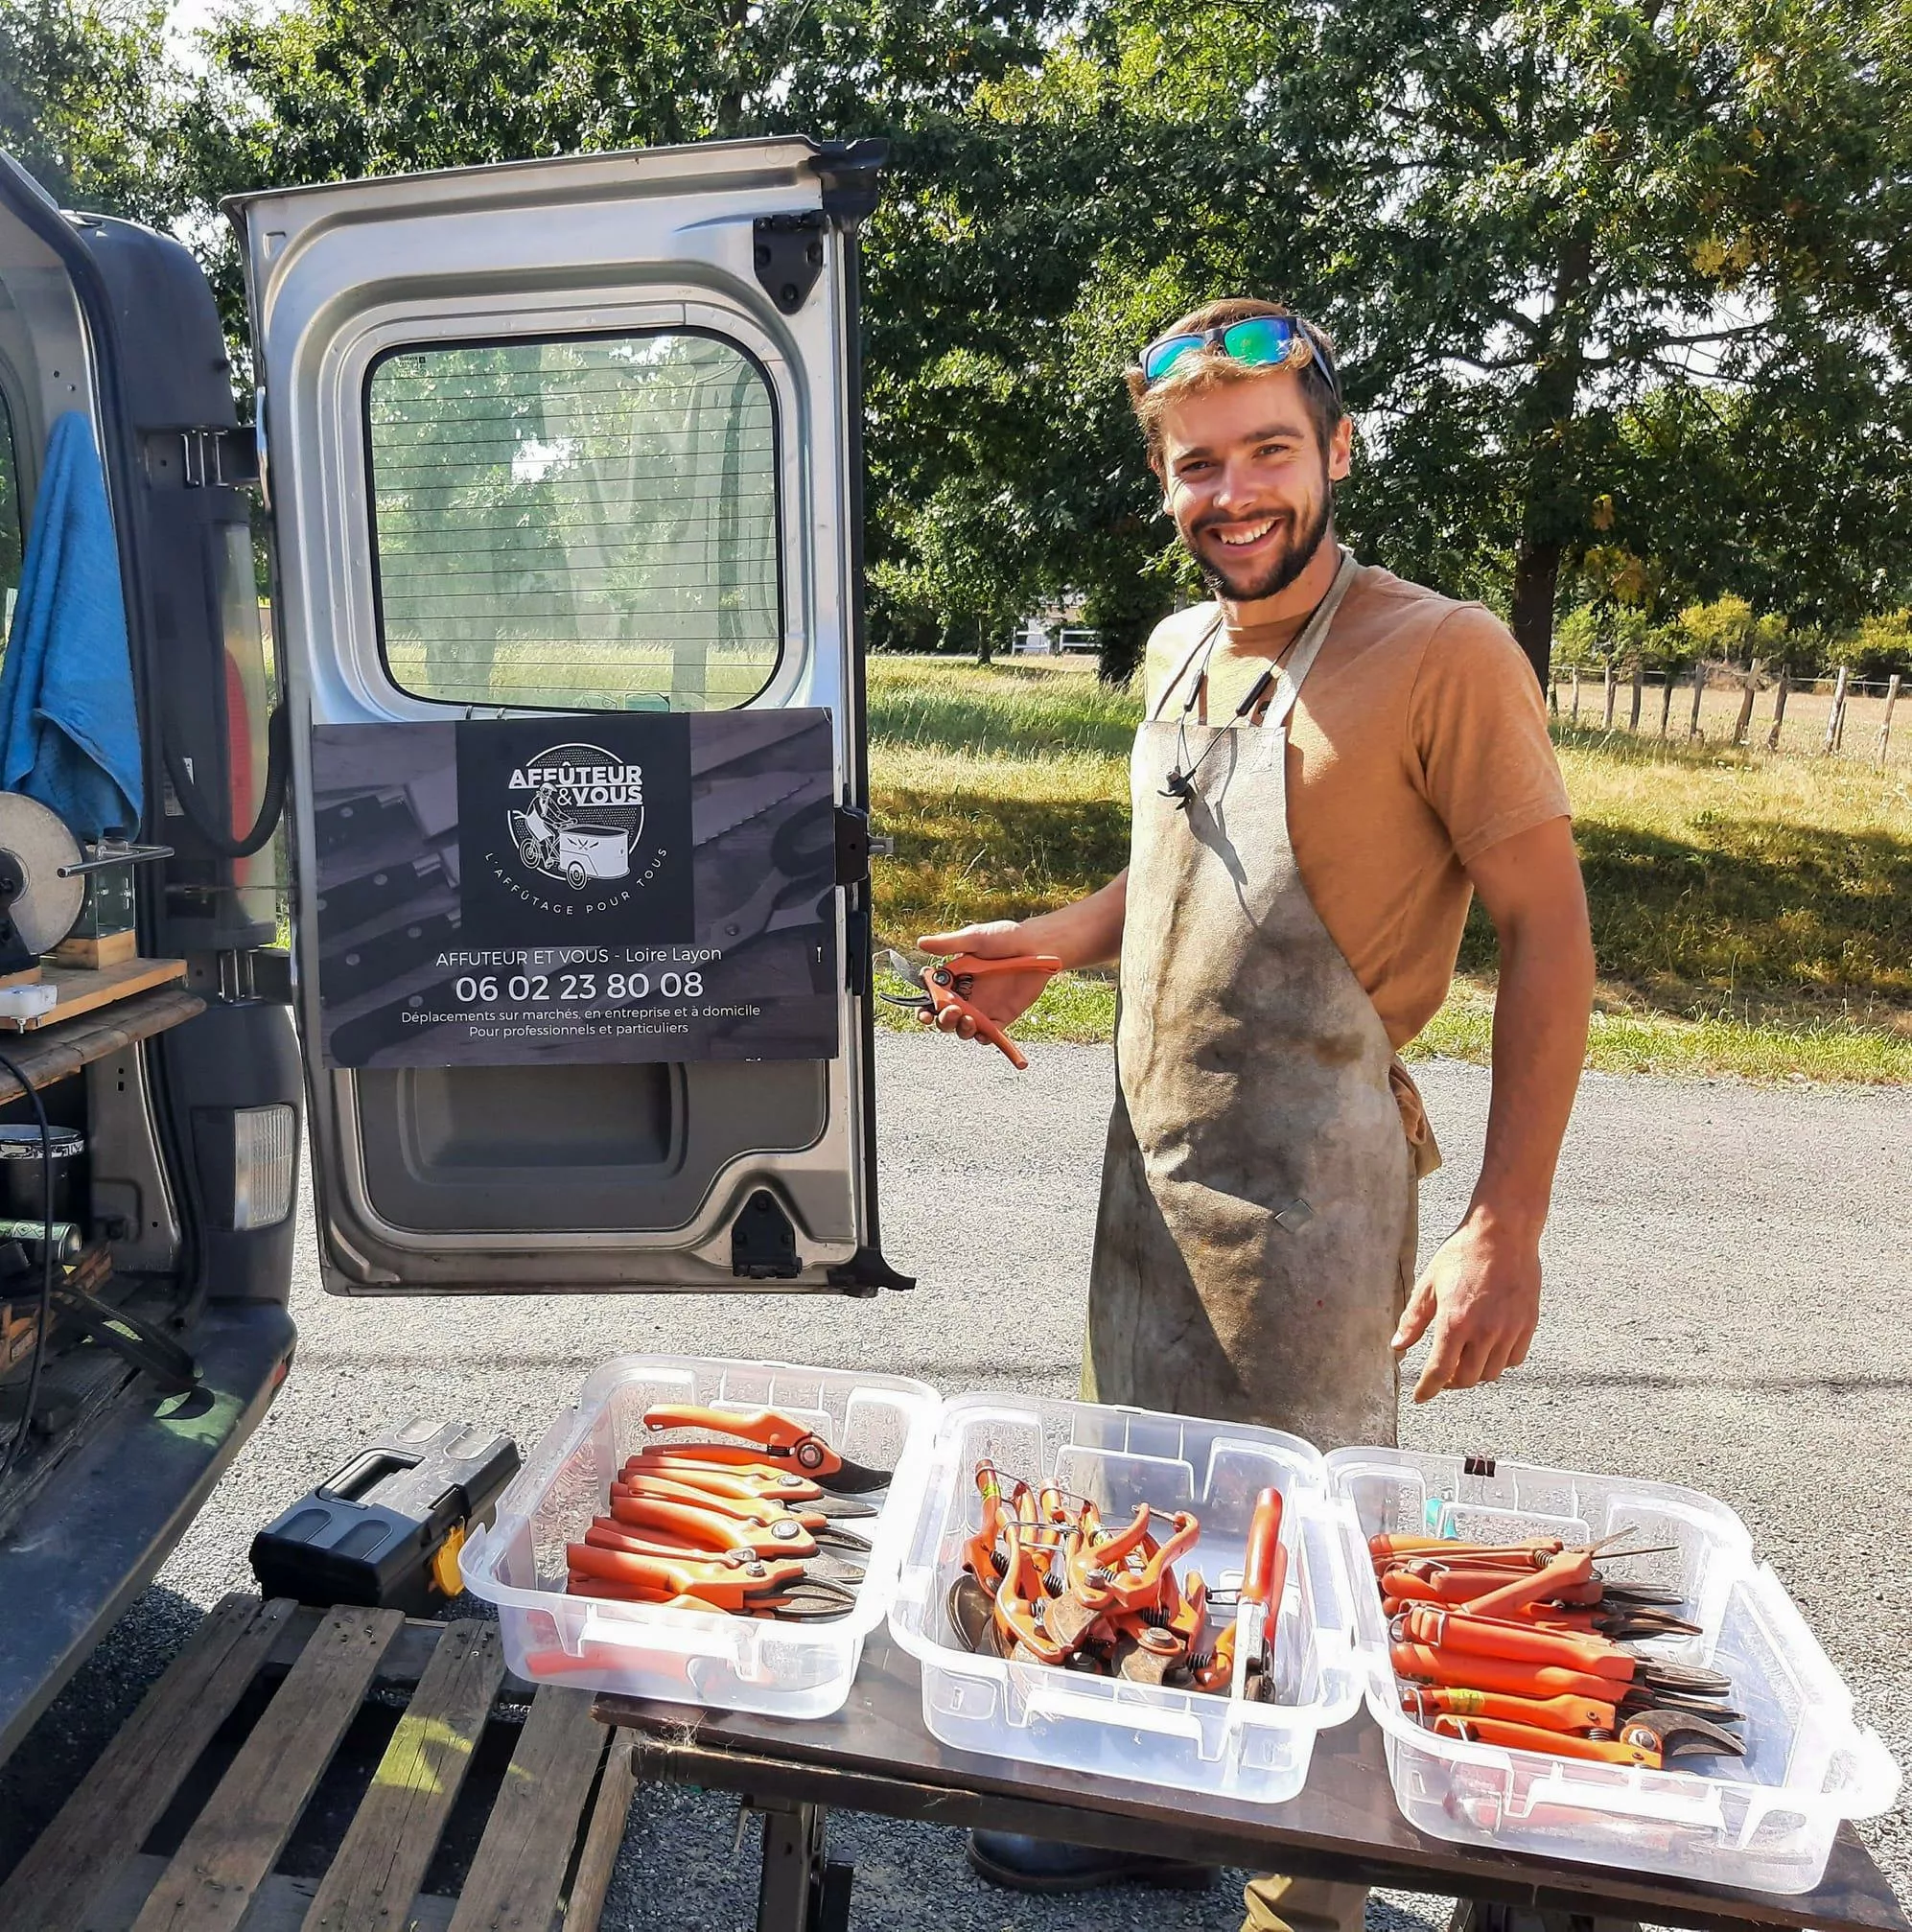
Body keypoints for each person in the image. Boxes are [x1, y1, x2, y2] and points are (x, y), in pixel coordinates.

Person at [920, 299, 1596, 1923]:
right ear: (1164, 480)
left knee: (1301, 1555)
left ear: (1336, 452)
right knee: (1149, 1508)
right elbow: (1173, 870)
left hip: (1312, 1197)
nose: (1232, 493)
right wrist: (1049, 946)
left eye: (1268, 452)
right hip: (1146, 1174)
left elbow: (1548, 928)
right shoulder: (1175, 647)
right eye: (1196, 464)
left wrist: (1504, 1220)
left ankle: (1306, 1893)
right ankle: (1160, 1803)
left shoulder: (1440, 653)